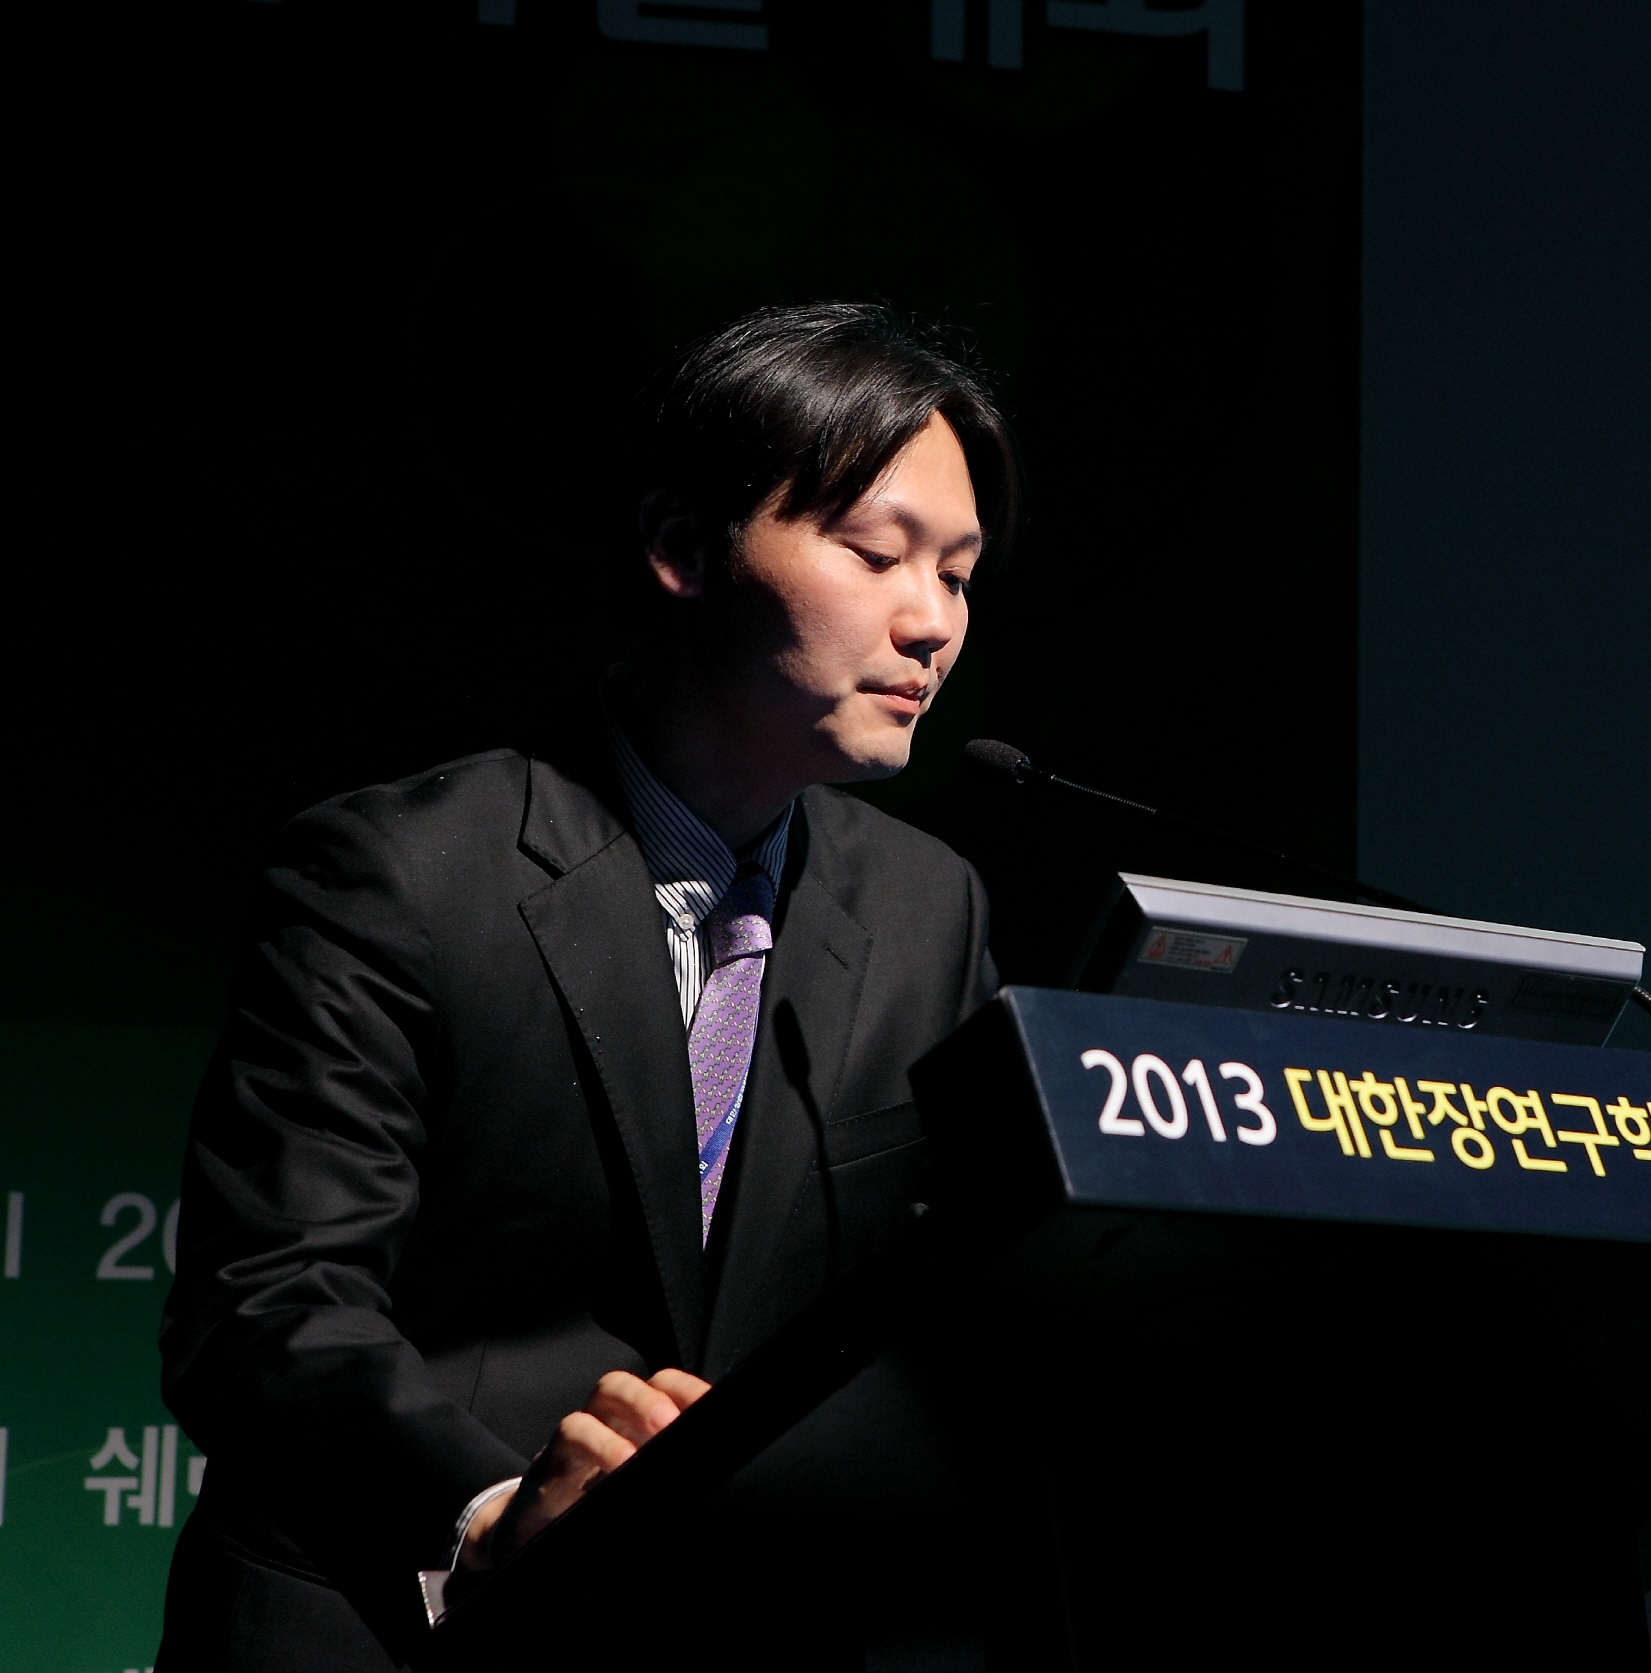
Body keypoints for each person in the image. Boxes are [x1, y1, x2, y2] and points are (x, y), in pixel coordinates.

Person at [157, 303, 1015, 1669]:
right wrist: (492, 1514)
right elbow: (264, 1305)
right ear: (683, 547)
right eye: (875, 553)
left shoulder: (927, 908)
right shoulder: (400, 871)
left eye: (959, 576)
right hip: (396, 1620)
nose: (931, 625)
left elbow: (941, 1314)